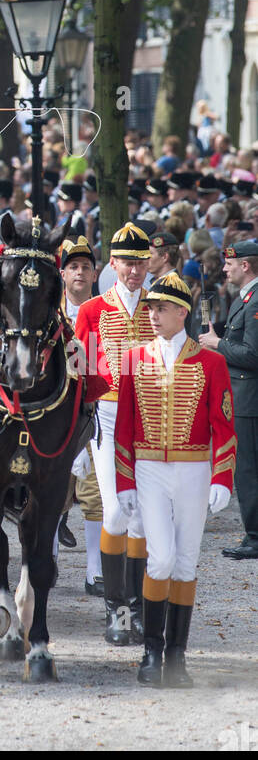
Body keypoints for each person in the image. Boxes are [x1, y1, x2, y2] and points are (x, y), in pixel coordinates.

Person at [117, 272, 236, 686]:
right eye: (149, 308)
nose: (152, 315)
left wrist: (222, 476)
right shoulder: (133, 359)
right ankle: (151, 651)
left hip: (193, 470)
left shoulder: (212, 362)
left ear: (183, 312)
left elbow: (223, 424)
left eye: (161, 308)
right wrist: (124, 482)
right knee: (161, 558)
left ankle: (176, 656)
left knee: (185, 563)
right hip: (149, 468)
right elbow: (124, 427)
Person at [74, 224, 155, 646]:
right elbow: (83, 372)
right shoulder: (91, 311)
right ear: (113, 264)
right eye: (127, 262)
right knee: (115, 512)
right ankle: (117, 612)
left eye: (141, 262)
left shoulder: (161, 307)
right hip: (107, 413)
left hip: (150, 417)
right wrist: (79, 437)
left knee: (142, 514)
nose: (135, 270)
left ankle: (139, 609)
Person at [198, 239, 258, 559]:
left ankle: (255, 536)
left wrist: (217, 343)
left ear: (244, 266)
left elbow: (252, 354)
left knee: (247, 469)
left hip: (249, 398)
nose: (224, 269)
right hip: (242, 395)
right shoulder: (244, 299)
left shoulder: (255, 300)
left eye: (229, 264)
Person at [59, 235, 103, 589]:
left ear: (95, 272)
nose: (79, 273)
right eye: (73, 267)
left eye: (85, 267)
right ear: (62, 274)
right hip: (54, 414)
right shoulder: (48, 311)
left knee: (94, 493)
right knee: (51, 492)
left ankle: (94, 569)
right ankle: (48, 562)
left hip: (93, 409)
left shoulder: (106, 310)